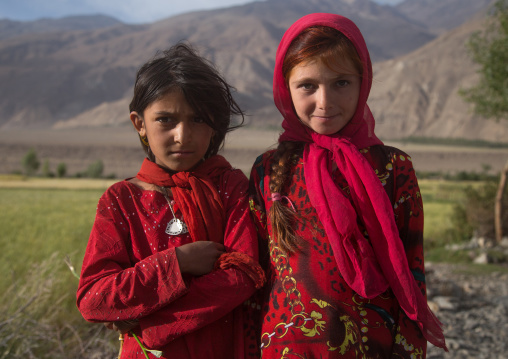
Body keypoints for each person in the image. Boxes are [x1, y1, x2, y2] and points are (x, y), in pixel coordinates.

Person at [248, 13, 447, 358]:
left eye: (341, 83)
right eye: (307, 85)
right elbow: (256, 271)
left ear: (362, 82)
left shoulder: (392, 168)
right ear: (285, 88)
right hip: (287, 348)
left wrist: (410, 349)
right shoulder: (268, 169)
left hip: (373, 347)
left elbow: (411, 268)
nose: (325, 101)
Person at [77, 43, 264, 359]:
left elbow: (243, 275)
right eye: (165, 120)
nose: (182, 135)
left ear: (215, 124)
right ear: (140, 124)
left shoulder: (229, 187)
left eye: (198, 119)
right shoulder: (121, 201)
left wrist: (150, 322)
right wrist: (178, 263)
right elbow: (95, 299)